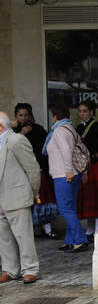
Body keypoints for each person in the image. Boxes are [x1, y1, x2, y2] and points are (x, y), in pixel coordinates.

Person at [0, 112, 41, 284]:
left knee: (23, 236)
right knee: (3, 237)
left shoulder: (17, 140)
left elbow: (32, 169)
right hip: (1, 198)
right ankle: (10, 269)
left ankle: (30, 269)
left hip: (17, 195)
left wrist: (31, 192)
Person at [45, 104, 89, 253]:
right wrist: (82, 172)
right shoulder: (71, 130)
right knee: (71, 208)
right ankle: (70, 240)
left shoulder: (58, 131)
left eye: (52, 115)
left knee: (65, 209)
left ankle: (80, 240)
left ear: (56, 116)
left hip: (64, 175)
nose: (51, 118)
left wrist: (68, 171)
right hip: (74, 174)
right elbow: (80, 152)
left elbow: (66, 150)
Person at [11, 103, 56, 239]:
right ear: (16, 117)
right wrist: (21, 134)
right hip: (18, 173)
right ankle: (30, 231)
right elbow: (8, 149)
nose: (24, 118)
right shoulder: (12, 132)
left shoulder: (39, 130)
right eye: (21, 115)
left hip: (38, 171)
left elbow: (46, 151)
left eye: (26, 115)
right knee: (24, 204)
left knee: (42, 200)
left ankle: (47, 230)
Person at [75, 100, 98, 239]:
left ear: (91, 112)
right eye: (80, 111)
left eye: (85, 111)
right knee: (88, 196)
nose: (82, 114)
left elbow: (94, 146)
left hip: (94, 165)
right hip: (84, 166)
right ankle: (90, 229)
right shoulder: (77, 127)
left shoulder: (96, 126)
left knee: (96, 197)